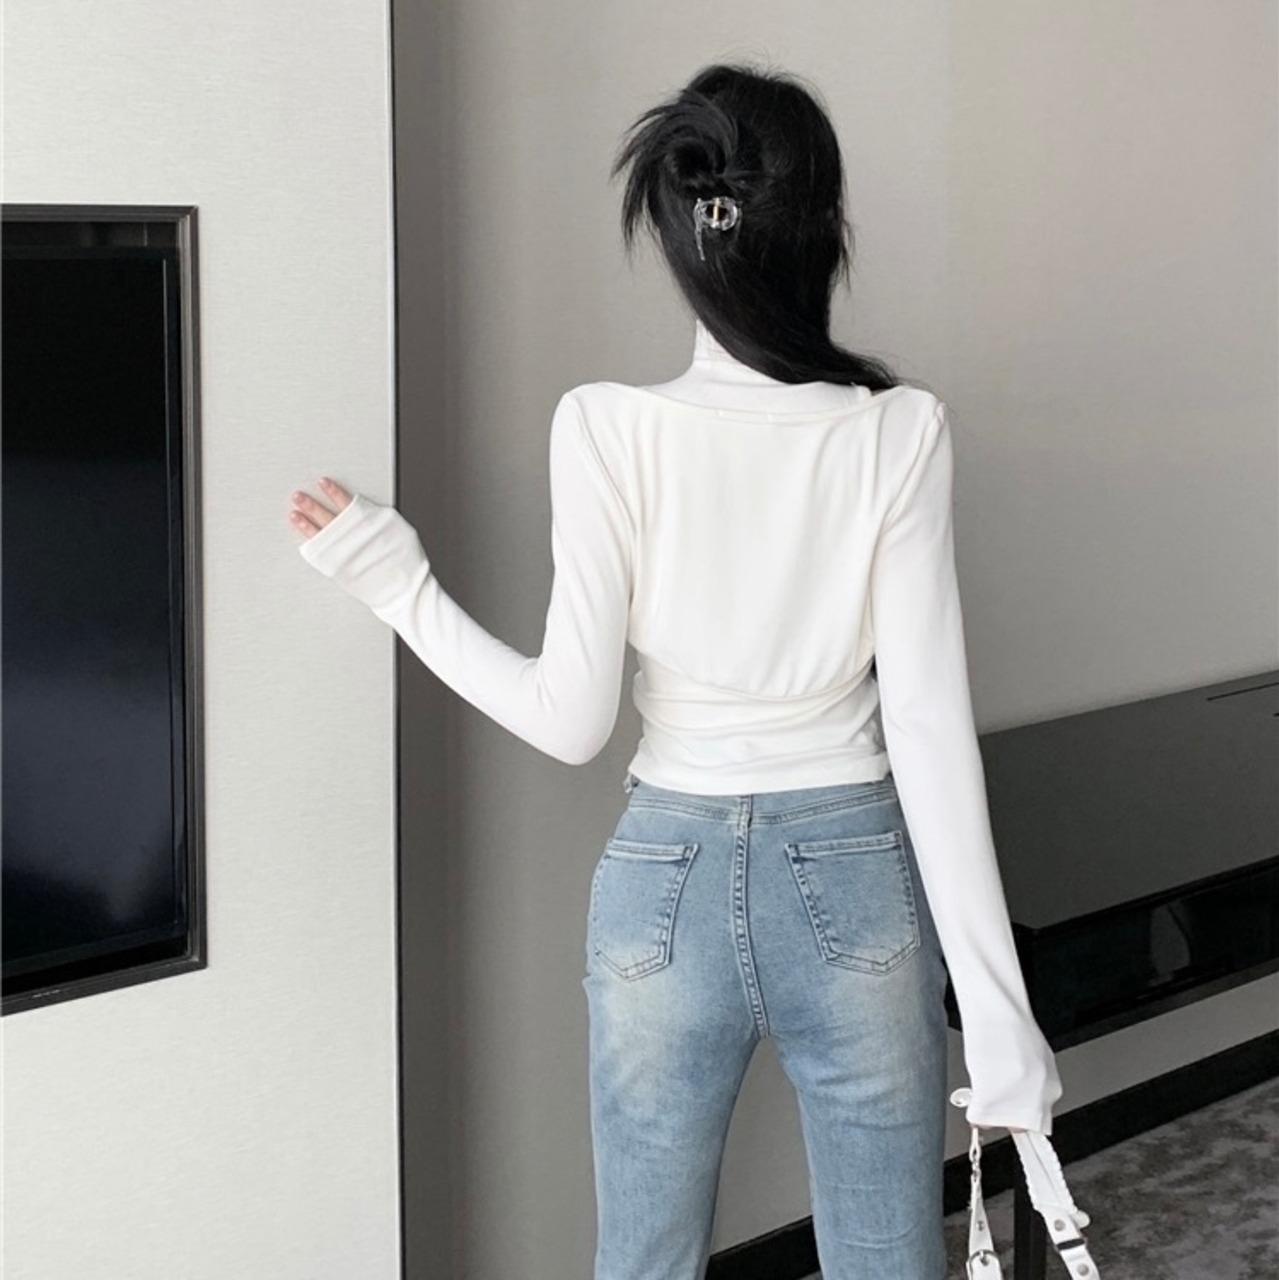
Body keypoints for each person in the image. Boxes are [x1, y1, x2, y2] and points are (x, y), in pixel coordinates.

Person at [288, 60, 1062, 1280]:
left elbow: (567, 719)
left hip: (662, 885)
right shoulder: (898, 428)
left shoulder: (603, 424)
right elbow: (922, 726)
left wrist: (401, 588)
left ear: (677, 234)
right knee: (887, 1262)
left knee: (641, 1263)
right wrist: (1000, 1014)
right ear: (822, 228)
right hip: (853, 877)